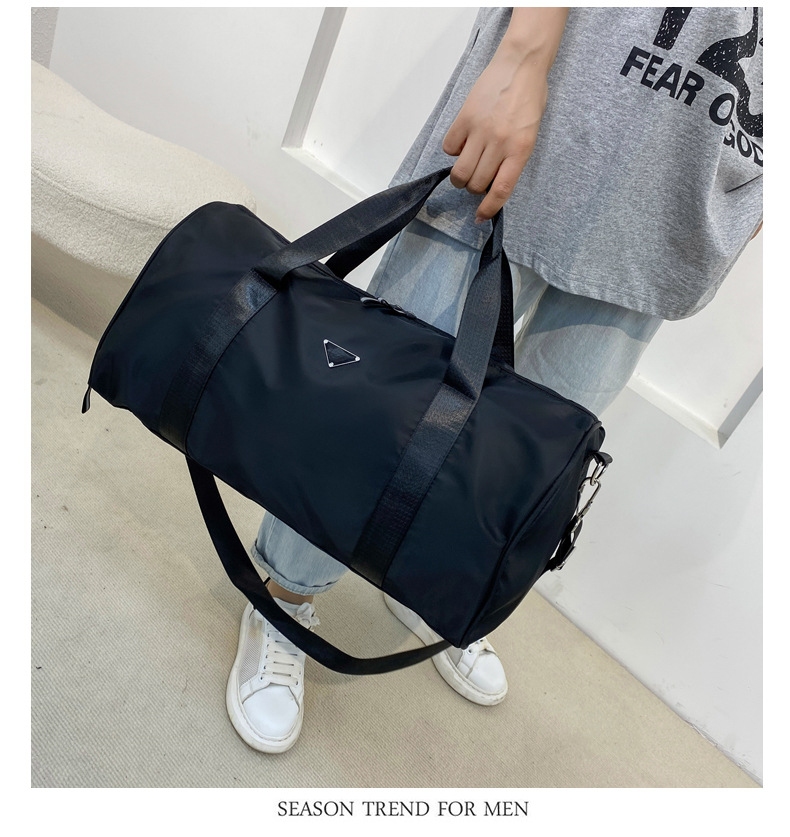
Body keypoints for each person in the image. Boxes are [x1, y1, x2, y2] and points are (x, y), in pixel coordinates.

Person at [225, 7, 763, 753]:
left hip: (677, 199)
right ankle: (284, 597)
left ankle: (427, 588)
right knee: (382, 412)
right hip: (553, 105)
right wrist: (521, 58)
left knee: (521, 458)